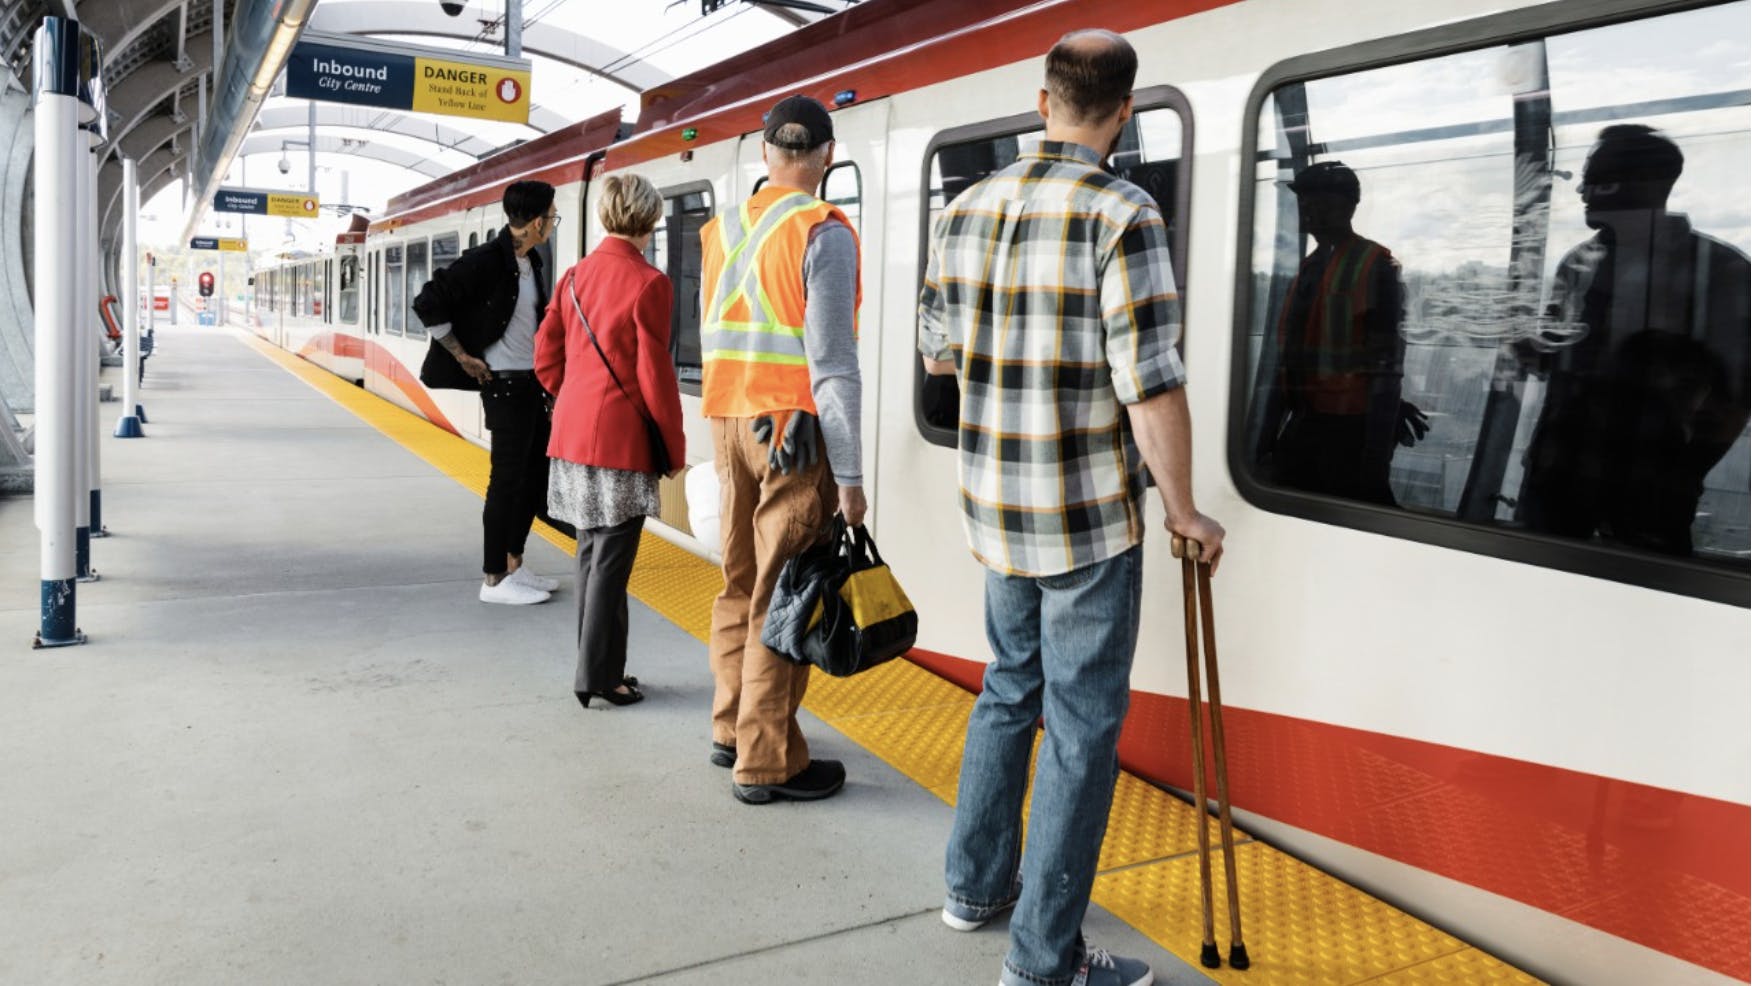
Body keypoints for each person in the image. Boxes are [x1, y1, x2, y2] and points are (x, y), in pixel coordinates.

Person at [918, 30, 1224, 986]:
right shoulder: (1123, 213)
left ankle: (973, 890)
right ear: (1123, 111)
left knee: (1009, 691)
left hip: (995, 509)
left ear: (1043, 98)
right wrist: (1186, 508)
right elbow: (1151, 383)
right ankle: (1044, 962)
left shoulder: (966, 207)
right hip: (1086, 517)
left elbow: (937, 355)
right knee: (1083, 730)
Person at [700, 94, 865, 805]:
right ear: (826, 155)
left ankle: (731, 726)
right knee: (784, 591)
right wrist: (851, 474)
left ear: (766, 155)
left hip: (728, 418)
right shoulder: (822, 231)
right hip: (791, 431)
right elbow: (832, 364)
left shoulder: (722, 228)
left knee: (740, 580)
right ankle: (767, 761)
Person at [1516, 124, 1750, 554]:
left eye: (1599, 179)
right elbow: (1558, 356)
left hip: (1647, 492)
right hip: (1556, 477)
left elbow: (1736, 396)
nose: (1584, 191)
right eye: (1587, 180)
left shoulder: (1721, 271)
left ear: (1652, 183)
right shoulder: (1577, 264)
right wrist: (1535, 351)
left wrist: (1679, 479)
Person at [535, 174, 685, 709]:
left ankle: (604, 669)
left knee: (591, 554)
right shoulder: (650, 283)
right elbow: (656, 378)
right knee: (611, 563)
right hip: (620, 443)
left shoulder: (574, 275)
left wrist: (574, 396)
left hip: (571, 438)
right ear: (651, 219)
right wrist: (673, 447)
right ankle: (595, 676)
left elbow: (545, 355)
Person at [414, 180, 562, 605]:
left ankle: (514, 562)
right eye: (551, 216)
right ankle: (494, 578)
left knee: (534, 479)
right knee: (506, 482)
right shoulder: (484, 261)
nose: (552, 223)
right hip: (503, 387)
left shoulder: (531, 261)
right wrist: (462, 355)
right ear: (537, 221)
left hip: (532, 384)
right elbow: (427, 302)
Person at [1251, 161, 1420, 505]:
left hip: (1349, 428)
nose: (1309, 209)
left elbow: (1387, 365)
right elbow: (1290, 358)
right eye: (1305, 201)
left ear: (1349, 207)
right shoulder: (1309, 268)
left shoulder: (1375, 266)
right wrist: (1264, 440)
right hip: (1309, 419)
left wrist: (1375, 456)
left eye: (1320, 201)